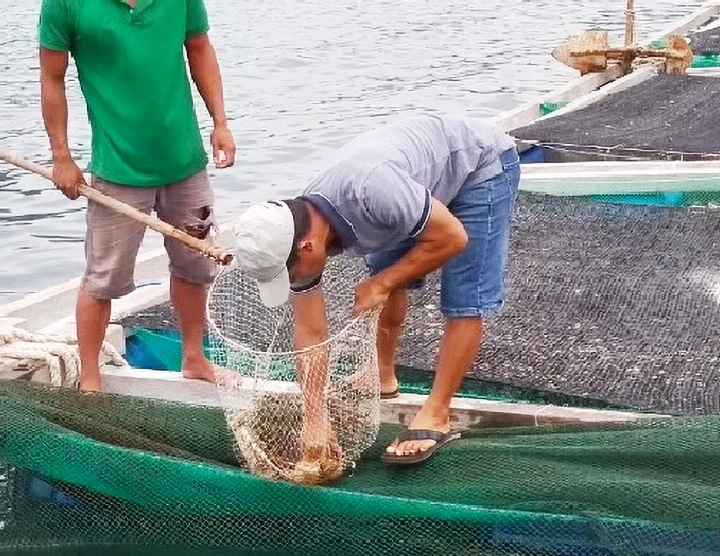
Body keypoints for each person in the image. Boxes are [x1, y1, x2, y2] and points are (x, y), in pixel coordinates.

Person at [219, 112, 520, 467]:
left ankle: (437, 411)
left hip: (481, 166)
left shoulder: (372, 193)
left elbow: (452, 237)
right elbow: (310, 330)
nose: (294, 281)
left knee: (464, 297)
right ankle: (382, 374)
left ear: (308, 248)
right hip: (410, 187)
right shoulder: (295, 232)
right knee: (383, 267)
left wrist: (383, 283)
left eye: (289, 274)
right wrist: (314, 418)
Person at [40, 0, 236, 391]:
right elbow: (52, 80)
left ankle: (194, 358)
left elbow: (199, 49)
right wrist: (62, 156)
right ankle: (88, 379)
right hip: (118, 169)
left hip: (184, 161)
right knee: (103, 278)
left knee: (196, 265)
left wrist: (220, 121)